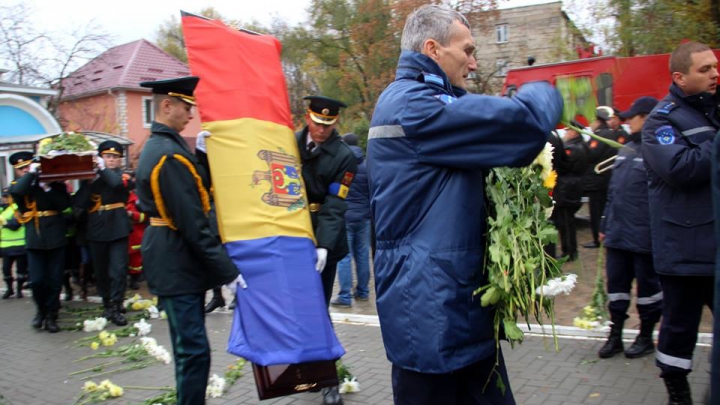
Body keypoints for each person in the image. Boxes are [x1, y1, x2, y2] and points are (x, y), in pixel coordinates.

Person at [367, 5, 562, 404]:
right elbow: (522, 126)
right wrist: (543, 89)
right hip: (432, 316)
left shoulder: (423, 101)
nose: (474, 63)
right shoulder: (415, 106)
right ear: (433, 49)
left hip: (450, 306)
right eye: (468, 50)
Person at [135, 76, 245, 405]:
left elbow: (193, 195)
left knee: (189, 350)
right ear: (166, 106)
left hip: (173, 258)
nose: (190, 115)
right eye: (186, 108)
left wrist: (202, 157)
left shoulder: (167, 149)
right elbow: (194, 224)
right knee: (193, 352)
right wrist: (228, 272)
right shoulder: (169, 155)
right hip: (176, 261)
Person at [642, 41, 718, 404]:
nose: (715, 74)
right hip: (685, 251)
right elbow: (680, 169)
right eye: (704, 70)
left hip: (715, 246)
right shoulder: (662, 120)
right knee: (679, 329)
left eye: (715, 67)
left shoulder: (713, 112)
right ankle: (677, 392)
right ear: (680, 77)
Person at [296, 95, 357, 405]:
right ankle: (304, 370)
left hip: (324, 242)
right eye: (318, 123)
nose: (322, 130)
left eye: (328, 124)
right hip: (291, 236)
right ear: (307, 118)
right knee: (297, 310)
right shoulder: (287, 143)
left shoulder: (344, 156)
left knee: (318, 311)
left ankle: (328, 380)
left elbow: (335, 205)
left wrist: (322, 246)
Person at [597, 96, 662, 359]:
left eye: (631, 117)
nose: (625, 121)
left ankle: (645, 336)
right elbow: (613, 192)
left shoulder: (658, 150)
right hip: (618, 235)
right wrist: (604, 224)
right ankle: (616, 336)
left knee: (647, 292)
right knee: (617, 289)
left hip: (643, 237)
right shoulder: (626, 149)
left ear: (646, 118)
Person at [9, 151, 71, 333]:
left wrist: (47, 188)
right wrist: (32, 175)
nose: (24, 171)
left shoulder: (55, 185)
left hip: (55, 237)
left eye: (27, 167)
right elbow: (18, 192)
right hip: (35, 239)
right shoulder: (22, 186)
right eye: (21, 169)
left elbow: (63, 204)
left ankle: (52, 314)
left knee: (54, 279)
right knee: (36, 280)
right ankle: (40, 311)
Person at [74, 141, 132, 326]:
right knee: (101, 272)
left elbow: (115, 184)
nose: (112, 160)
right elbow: (80, 203)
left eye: (115, 157)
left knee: (118, 271)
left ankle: (116, 305)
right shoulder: (92, 178)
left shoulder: (123, 176)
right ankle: (107, 304)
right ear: (102, 158)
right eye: (108, 157)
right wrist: (89, 183)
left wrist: (100, 170)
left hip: (117, 228)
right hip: (97, 229)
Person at [330, 133, 371, 308]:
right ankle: (363, 292)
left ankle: (345, 296)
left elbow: (334, 189)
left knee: (344, 257)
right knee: (363, 256)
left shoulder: (341, 163)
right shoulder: (369, 165)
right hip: (364, 218)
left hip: (345, 217)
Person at [582, 106, 624, 248]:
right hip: (604, 178)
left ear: (597, 121)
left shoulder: (601, 135)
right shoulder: (609, 133)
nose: (590, 125)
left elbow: (591, 154)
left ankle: (597, 239)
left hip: (598, 179)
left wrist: (584, 147)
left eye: (592, 121)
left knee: (596, 212)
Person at [552, 122, 589, 262]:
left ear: (574, 132)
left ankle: (569, 252)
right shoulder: (581, 145)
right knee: (568, 221)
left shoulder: (572, 148)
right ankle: (570, 251)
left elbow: (563, 165)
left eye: (568, 131)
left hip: (567, 188)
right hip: (572, 186)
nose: (566, 133)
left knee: (566, 222)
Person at [1, 185, 28, 299]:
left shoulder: (18, 208)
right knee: (6, 269)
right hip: (6, 246)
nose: (5, 199)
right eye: (3, 196)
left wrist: (4, 221)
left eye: (7, 197)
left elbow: (15, 225)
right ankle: (10, 289)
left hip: (19, 245)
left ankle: (19, 290)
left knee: (21, 270)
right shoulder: (3, 209)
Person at [123, 173, 146, 290]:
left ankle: (134, 280)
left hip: (135, 236)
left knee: (136, 261)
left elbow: (144, 217)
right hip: (122, 235)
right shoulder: (117, 199)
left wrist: (132, 215)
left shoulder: (137, 200)